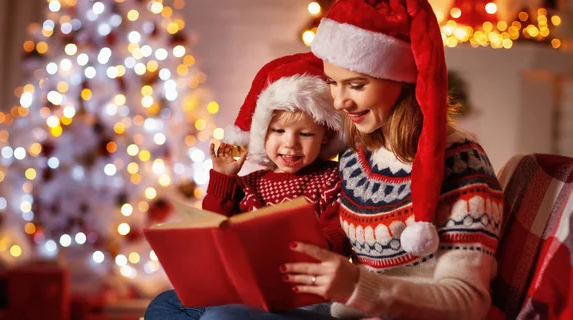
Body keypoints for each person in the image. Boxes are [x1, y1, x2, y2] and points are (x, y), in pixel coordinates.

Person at [199, 0, 505, 319]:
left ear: (402, 82)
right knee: (169, 305)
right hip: (343, 308)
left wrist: (357, 286)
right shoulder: (358, 155)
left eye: (356, 85)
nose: (340, 101)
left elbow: (469, 302)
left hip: (380, 311)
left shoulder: (461, 162)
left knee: (223, 317)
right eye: (332, 82)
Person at [144, 52, 350, 319]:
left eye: (306, 134)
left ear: (326, 136)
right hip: (245, 296)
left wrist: (305, 246)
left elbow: (338, 233)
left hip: (306, 299)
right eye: (278, 131)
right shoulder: (249, 185)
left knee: (219, 317)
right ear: (262, 132)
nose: (290, 143)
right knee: (163, 306)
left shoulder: (332, 179)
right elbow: (212, 231)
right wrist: (224, 178)